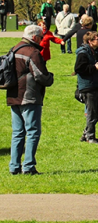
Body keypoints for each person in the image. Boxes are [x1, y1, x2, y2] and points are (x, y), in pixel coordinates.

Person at [7, 24, 53, 174]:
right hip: (29, 96)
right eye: (40, 37)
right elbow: (40, 75)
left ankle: (14, 166)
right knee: (33, 131)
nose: (41, 40)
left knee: (18, 132)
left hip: (14, 95)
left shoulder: (14, 49)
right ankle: (28, 166)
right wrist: (50, 78)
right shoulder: (32, 52)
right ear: (34, 37)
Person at [75, 31, 98, 143]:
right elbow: (79, 68)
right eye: (97, 39)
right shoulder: (83, 53)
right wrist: (94, 67)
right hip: (88, 87)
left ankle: (86, 133)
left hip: (97, 85)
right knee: (92, 113)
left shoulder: (96, 52)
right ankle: (90, 136)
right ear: (90, 41)